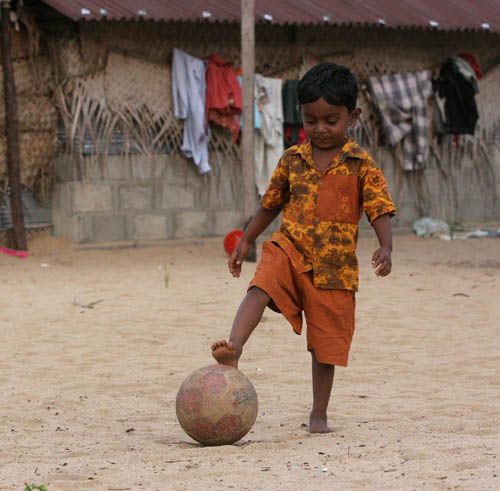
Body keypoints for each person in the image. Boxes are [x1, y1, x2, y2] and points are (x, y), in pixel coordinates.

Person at [211, 63, 396, 433]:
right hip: (290, 246)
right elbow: (271, 203)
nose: (320, 129)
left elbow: (379, 208)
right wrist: (247, 238)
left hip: (335, 269)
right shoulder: (293, 159)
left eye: (331, 120)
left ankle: (319, 414)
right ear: (301, 116)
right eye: (312, 121)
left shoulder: (362, 165)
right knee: (262, 282)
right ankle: (234, 347)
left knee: (324, 346)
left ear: (352, 116)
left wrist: (386, 246)